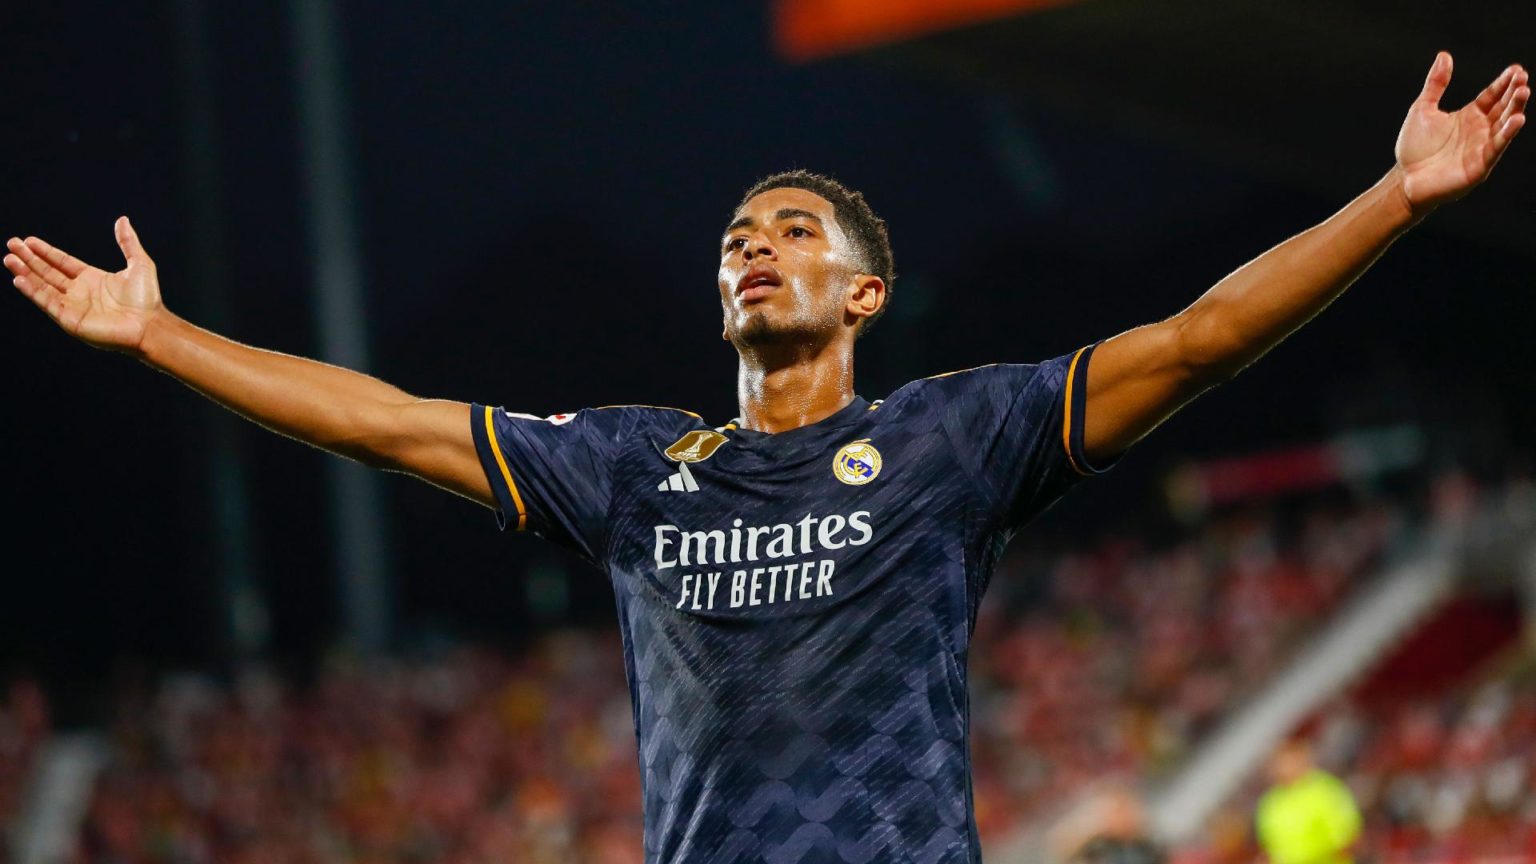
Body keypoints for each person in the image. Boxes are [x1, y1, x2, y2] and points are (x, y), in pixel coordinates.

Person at [5, 53, 1525, 863]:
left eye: (796, 232)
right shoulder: (631, 470)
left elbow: (1194, 343)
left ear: (865, 293)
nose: (756, 246)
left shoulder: (950, 439)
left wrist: (1392, 199)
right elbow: (385, 421)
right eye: (739, 235)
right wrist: (165, 338)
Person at [1256, 738, 1363, 864]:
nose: (1284, 766)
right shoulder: (1269, 805)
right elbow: (1270, 850)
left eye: (1289, 759)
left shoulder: (1325, 789)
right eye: (1279, 762)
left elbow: (1349, 839)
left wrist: (1314, 856)